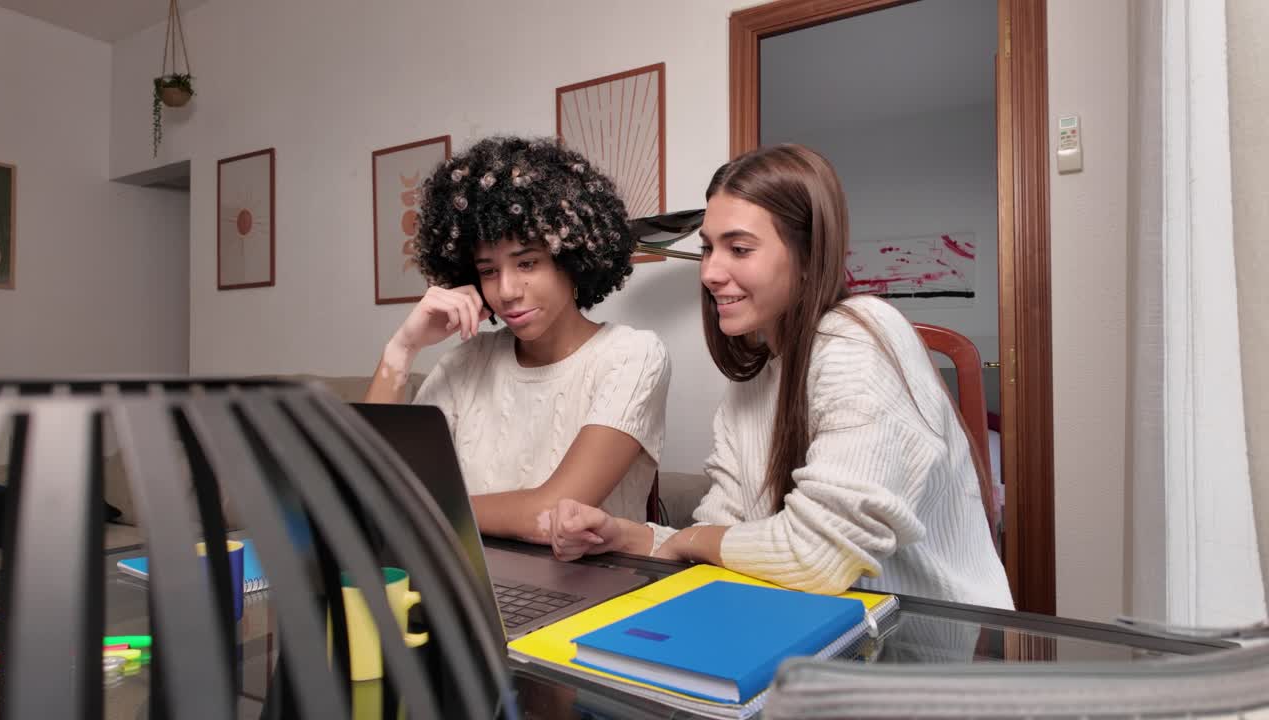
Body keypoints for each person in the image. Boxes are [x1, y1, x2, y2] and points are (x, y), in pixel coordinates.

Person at [549, 144, 1013, 608]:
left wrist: (687, 542)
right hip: (812, 628)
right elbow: (725, 533)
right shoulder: (752, 383)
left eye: (740, 249)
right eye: (708, 248)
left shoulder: (861, 336)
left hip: (924, 648)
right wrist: (628, 536)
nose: (710, 272)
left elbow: (817, 555)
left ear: (809, 257)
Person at [365, 137, 670, 545]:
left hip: (594, 594)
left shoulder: (632, 356)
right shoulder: (466, 362)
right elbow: (364, 487)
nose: (507, 290)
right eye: (488, 271)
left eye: (527, 263)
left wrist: (422, 506)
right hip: (473, 585)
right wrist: (402, 349)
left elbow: (556, 510)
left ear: (572, 260)